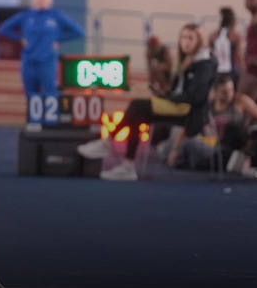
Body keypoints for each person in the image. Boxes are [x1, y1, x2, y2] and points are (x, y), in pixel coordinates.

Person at [78, 23, 216, 181]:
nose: (186, 41)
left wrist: (168, 98)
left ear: (199, 41)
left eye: (191, 38)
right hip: (178, 106)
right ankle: (126, 166)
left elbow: (195, 97)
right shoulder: (186, 60)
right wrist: (165, 94)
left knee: (137, 106)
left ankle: (110, 145)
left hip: (190, 112)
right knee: (138, 114)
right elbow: (180, 91)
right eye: (183, 37)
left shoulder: (204, 64)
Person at [0, 0, 85, 125]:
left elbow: (79, 32)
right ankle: (33, 125)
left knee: (51, 96)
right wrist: (19, 38)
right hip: (29, 63)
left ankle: (52, 127)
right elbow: (3, 29)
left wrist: (59, 39)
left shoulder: (56, 16)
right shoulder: (25, 16)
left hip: (48, 63)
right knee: (32, 97)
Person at [209, 6, 243, 85]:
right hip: (231, 71)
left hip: (216, 70)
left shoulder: (213, 36)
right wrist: (243, 69)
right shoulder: (235, 36)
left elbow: (210, 54)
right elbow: (238, 55)